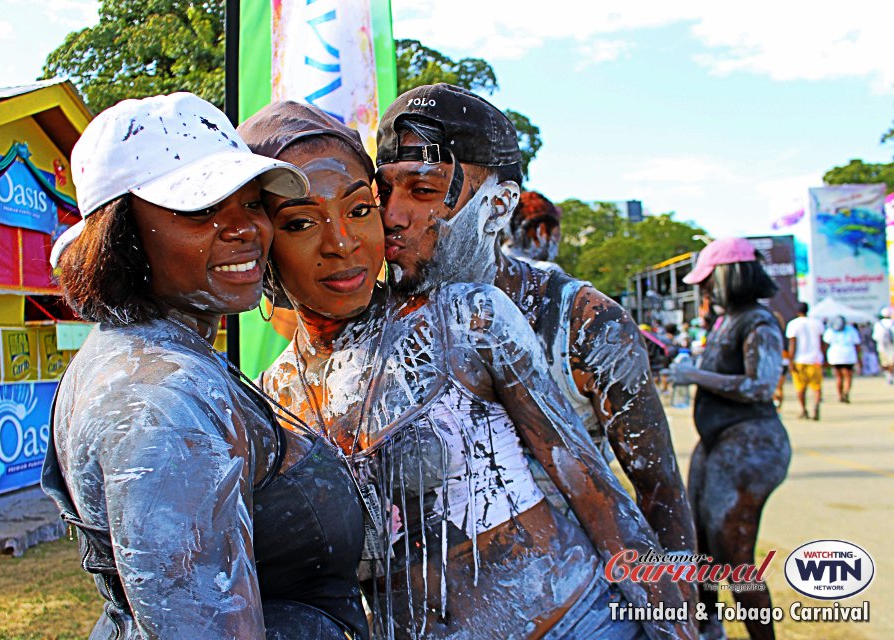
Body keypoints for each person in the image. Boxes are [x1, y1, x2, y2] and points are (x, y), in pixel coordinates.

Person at [241, 101, 694, 640]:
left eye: (360, 209)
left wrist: (680, 627)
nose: (342, 241)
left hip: (575, 624)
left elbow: (603, 499)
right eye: (299, 222)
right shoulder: (272, 396)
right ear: (262, 243)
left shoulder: (466, 317)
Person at [41, 93, 370, 640]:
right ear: (121, 234)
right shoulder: (160, 401)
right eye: (200, 209)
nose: (247, 230)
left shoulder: (161, 352)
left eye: (252, 203)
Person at [374, 83, 696, 573]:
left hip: (574, 607)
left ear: (499, 206)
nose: (391, 216)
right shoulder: (367, 318)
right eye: (383, 191)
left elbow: (660, 492)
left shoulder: (581, 323)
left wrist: (678, 614)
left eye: (423, 190)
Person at [670, 237, 791, 640]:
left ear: (731, 276)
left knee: (734, 551)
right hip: (719, 443)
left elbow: (761, 384)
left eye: (709, 281)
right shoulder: (725, 320)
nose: (704, 289)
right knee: (701, 541)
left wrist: (696, 376)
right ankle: (709, 628)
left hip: (751, 443)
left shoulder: (758, 321)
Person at [500, 189, 563, 272]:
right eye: (555, 235)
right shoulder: (548, 272)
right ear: (541, 231)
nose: (558, 240)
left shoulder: (492, 263)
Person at [784, 302, 824, 420]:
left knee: (800, 387)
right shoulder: (817, 323)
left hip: (799, 359)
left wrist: (790, 361)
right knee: (816, 386)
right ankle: (816, 405)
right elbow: (822, 342)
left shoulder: (793, 324)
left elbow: (792, 343)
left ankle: (803, 409)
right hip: (815, 359)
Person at [823, 315, 861, 403]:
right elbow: (857, 345)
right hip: (848, 355)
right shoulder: (851, 330)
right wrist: (859, 358)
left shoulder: (831, 330)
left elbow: (825, 344)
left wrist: (825, 358)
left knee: (839, 377)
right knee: (848, 376)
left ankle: (840, 395)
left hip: (835, 356)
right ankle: (846, 392)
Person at [872, 307, 894, 384]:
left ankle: (888, 376)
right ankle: (892, 375)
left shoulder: (878, 324)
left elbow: (875, 337)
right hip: (892, 346)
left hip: (882, 346)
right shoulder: (893, 323)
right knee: (892, 362)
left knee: (885, 363)